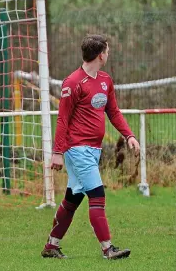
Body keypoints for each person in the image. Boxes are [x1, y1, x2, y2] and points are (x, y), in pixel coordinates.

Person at [41, 34, 140, 259]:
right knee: (97, 195)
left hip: (92, 150)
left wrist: (129, 135)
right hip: (77, 149)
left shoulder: (105, 80)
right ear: (100, 55)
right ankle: (108, 249)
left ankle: (51, 246)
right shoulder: (73, 82)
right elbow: (62, 120)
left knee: (72, 199)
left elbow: (113, 112)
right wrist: (57, 152)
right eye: (107, 50)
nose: (108, 53)